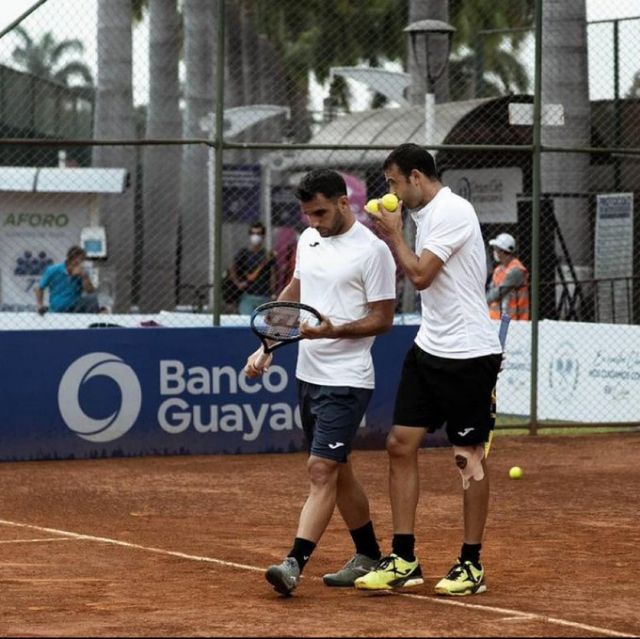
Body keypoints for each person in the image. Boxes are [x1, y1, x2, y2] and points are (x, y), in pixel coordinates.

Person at [354, 143, 503, 596]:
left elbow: (421, 275)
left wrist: (393, 235)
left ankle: (471, 564)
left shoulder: (453, 211)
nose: (391, 191)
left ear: (416, 177)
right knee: (399, 444)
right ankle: (403, 558)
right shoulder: (425, 215)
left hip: (469, 353)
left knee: (467, 458)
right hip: (429, 347)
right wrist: (397, 232)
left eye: (394, 182)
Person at [244, 169, 397, 596]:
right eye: (308, 214)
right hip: (308, 375)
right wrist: (268, 346)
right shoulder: (309, 239)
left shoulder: (373, 252)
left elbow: (383, 319)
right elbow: (294, 292)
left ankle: (293, 563)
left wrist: (333, 331)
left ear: (344, 203)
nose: (313, 222)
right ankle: (368, 554)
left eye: (321, 213)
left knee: (321, 468)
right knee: (339, 469)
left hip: (347, 379)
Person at [227, 222, 277, 315]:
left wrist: (273, 293)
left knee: (262, 322)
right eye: (253, 233)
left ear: (263, 236)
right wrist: (238, 283)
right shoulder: (244, 253)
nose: (255, 236)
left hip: (264, 297)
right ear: (249, 235)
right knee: (245, 321)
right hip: (247, 296)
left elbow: (273, 274)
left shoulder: (267, 255)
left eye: (258, 233)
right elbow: (232, 268)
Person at [34, 245, 101, 314]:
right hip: (57, 307)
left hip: (75, 306)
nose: (82, 263)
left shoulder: (83, 272)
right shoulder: (53, 270)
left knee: (92, 299)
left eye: (83, 260)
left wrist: (84, 276)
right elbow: (39, 288)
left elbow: (90, 291)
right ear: (72, 259)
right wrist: (40, 304)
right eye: (80, 260)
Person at [486, 232, 529, 320]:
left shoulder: (516, 270)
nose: (495, 252)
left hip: (513, 320)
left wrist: (480, 302)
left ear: (502, 251)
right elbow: (491, 291)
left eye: (496, 249)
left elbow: (497, 294)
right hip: (495, 318)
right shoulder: (498, 270)